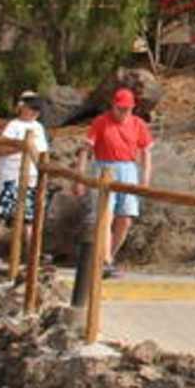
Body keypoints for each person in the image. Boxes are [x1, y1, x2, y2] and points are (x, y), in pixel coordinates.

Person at [81, 87, 153, 277]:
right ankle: (105, 260)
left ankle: (109, 256)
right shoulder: (101, 122)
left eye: (127, 109)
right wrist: (80, 177)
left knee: (125, 218)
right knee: (105, 215)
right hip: (104, 167)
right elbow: (86, 149)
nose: (123, 113)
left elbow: (146, 152)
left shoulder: (138, 124)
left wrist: (145, 178)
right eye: (120, 108)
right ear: (113, 106)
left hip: (128, 169)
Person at [0, 91, 50, 265]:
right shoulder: (13, 126)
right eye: (32, 109)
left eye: (37, 110)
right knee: (2, 212)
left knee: (28, 216)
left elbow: (42, 152)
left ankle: (33, 253)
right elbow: (1, 149)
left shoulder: (38, 128)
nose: (34, 113)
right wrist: (23, 146)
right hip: (11, 173)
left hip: (31, 175)